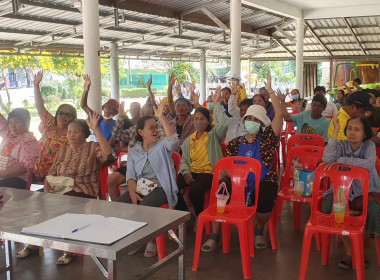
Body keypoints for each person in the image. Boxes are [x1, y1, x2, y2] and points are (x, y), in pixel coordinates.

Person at [201, 72, 283, 252]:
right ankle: (215, 235)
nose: (252, 122)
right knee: (221, 190)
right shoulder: (235, 143)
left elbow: (279, 116)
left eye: (256, 120)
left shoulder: (268, 138)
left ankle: (259, 228)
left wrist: (270, 92)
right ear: (244, 120)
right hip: (239, 181)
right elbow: (228, 167)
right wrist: (238, 181)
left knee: (267, 196)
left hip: (263, 180)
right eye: (249, 118)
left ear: (262, 124)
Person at [17, 112, 113, 265]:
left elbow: (108, 153)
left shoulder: (93, 147)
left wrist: (97, 130)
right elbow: (51, 174)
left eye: (76, 131)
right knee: (36, 201)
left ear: (85, 134)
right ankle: (34, 243)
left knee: (62, 203)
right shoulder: (62, 151)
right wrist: (47, 192)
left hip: (82, 190)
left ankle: (70, 249)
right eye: (69, 131)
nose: (71, 135)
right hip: (58, 189)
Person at [116, 101, 179, 257]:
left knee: (144, 206)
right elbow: (130, 175)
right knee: (119, 204)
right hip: (143, 186)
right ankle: (132, 237)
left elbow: (174, 142)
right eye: (151, 128)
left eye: (156, 127)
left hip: (162, 187)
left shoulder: (162, 145)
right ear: (141, 132)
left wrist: (161, 117)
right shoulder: (135, 150)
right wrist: (132, 191)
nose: (156, 130)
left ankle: (149, 240)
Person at [321, 115, 380, 270]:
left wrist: (342, 160)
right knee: (329, 209)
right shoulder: (341, 145)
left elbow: (368, 165)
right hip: (341, 190)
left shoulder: (369, 147)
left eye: (357, 129)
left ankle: (358, 248)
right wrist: (336, 131)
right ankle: (352, 251)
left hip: (367, 191)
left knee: (373, 211)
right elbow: (327, 158)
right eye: (349, 128)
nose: (352, 132)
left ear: (365, 134)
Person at [176, 88, 228, 217]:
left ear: (208, 121)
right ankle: (185, 214)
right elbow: (184, 160)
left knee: (195, 192)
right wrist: (186, 171)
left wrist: (216, 104)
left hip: (208, 172)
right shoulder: (189, 139)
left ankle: (200, 217)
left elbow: (226, 123)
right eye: (196, 119)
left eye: (202, 119)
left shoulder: (213, 135)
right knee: (172, 188)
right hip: (192, 171)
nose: (198, 122)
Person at [108, 102, 164, 201]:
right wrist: (121, 117)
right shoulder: (134, 129)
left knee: (140, 202)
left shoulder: (157, 132)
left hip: (149, 172)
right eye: (142, 113)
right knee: (112, 179)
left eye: (147, 114)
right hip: (133, 167)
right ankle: (117, 208)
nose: (143, 116)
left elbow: (171, 142)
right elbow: (116, 135)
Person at [32, 71, 77, 182]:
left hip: (54, 178)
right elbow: (40, 107)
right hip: (34, 171)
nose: (63, 116)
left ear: (73, 118)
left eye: (67, 114)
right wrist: (36, 86)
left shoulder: (74, 134)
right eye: (60, 113)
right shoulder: (50, 125)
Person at [0, 109, 40, 188]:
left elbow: (23, 167)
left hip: (17, 180)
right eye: (10, 122)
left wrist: (1, 174)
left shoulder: (30, 141)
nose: (12, 126)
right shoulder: (8, 135)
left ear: (27, 124)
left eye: (17, 122)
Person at [80, 74, 119, 144]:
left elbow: (109, 146)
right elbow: (84, 106)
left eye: (110, 108)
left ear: (115, 112)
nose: (107, 109)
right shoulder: (97, 119)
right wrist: (86, 91)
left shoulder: (116, 126)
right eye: (106, 106)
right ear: (103, 108)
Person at [167, 74, 195, 152]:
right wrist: (170, 86)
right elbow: (170, 102)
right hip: (173, 153)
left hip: (189, 153)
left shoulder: (194, 121)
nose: (180, 107)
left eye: (183, 105)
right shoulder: (172, 122)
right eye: (178, 105)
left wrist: (192, 91)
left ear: (189, 109)